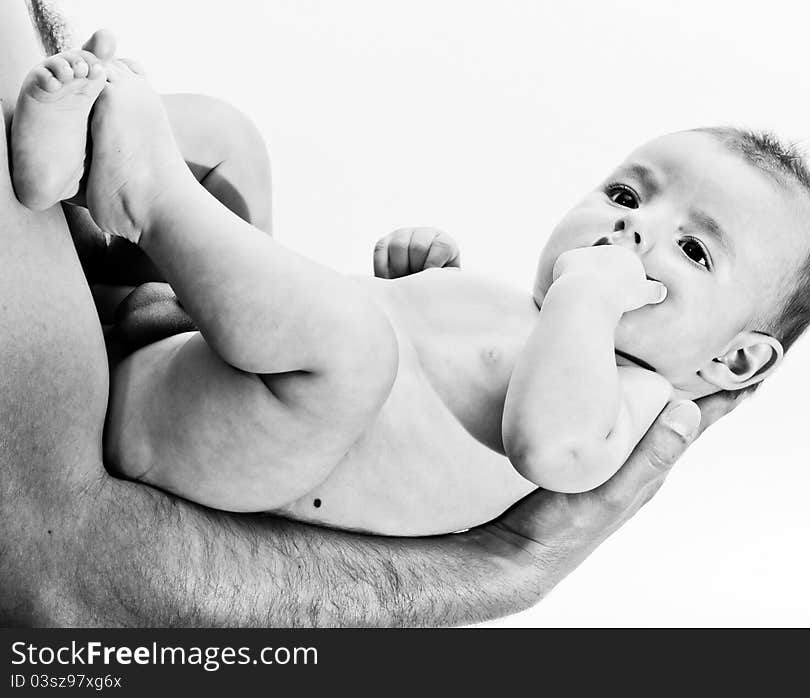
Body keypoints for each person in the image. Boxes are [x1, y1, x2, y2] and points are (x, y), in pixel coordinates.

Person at [0, 0, 727, 626]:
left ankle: (144, 191)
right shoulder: (528, 313)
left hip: (222, 447)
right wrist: (428, 283)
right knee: (231, 142)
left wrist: (587, 299)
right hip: (201, 362)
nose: (635, 231)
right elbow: (422, 368)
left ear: (734, 360)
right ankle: (78, 160)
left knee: (356, 346)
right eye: (627, 197)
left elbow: (550, 446)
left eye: (694, 250)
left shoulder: (633, 396)